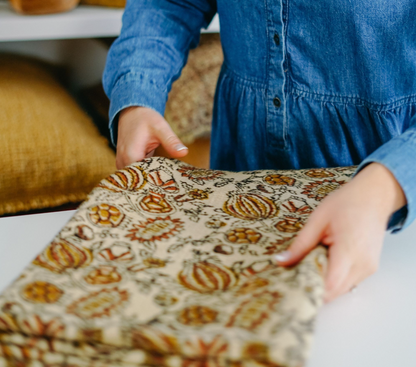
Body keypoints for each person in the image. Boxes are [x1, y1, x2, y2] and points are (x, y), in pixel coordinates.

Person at [102, 0, 414, 303]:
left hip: (393, 223)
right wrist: (137, 93)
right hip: (237, 194)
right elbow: (168, 3)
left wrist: (383, 189)